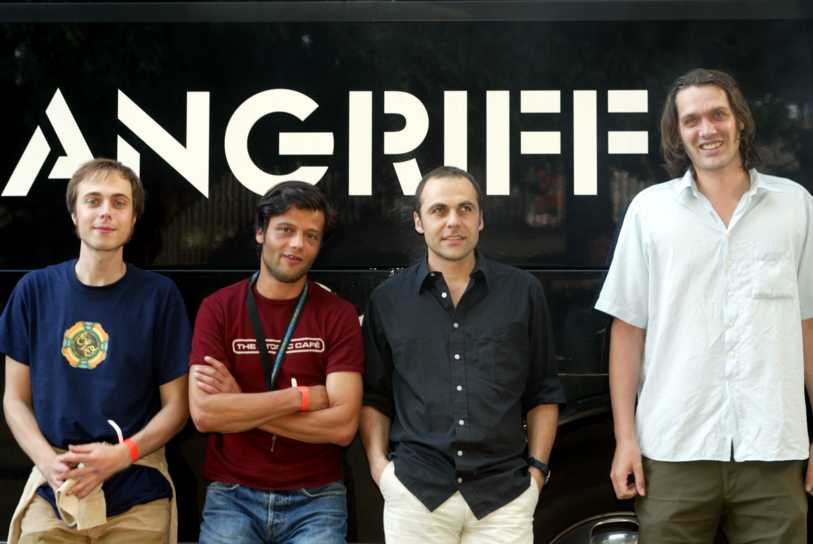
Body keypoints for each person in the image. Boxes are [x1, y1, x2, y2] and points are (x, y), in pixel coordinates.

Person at [596, 68, 813, 543]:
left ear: (740, 120)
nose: (707, 129)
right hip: (674, 451)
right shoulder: (650, 211)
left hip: (773, 451)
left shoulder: (795, 207)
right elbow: (627, 331)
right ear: (677, 133)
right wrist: (625, 439)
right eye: (691, 120)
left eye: (718, 114)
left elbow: (808, 327)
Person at [360, 165, 565, 543]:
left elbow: (543, 390)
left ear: (480, 219)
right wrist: (379, 468)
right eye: (439, 210)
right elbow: (375, 396)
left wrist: (536, 474)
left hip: (504, 498)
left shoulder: (522, 292)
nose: (453, 221)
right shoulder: (388, 300)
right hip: (416, 495)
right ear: (418, 221)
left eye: (465, 209)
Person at [1, 158, 191, 543]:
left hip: (137, 492)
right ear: (74, 214)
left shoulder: (159, 297)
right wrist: (48, 462)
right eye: (93, 200)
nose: (106, 212)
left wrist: (122, 455)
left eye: (119, 203)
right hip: (55, 491)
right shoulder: (34, 291)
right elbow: (14, 399)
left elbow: (178, 407)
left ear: (134, 219)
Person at [188, 180, 363, 544]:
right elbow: (205, 415)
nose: (298, 244)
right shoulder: (218, 309)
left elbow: (342, 426)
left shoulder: (338, 314)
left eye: (311, 236)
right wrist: (300, 399)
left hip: (316, 497)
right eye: (286, 230)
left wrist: (240, 404)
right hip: (233, 494)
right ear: (260, 233)